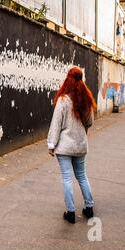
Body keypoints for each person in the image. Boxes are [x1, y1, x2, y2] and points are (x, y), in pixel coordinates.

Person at [47, 66, 96, 224]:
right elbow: (89, 122)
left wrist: (51, 144)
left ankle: (71, 212)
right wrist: (81, 133)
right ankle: (89, 208)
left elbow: (56, 124)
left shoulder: (63, 100)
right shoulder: (86, 100)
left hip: (65, 147)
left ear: (67, 79)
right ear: (81, 80)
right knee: (82, 176)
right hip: (80, 146)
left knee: (67, 178)